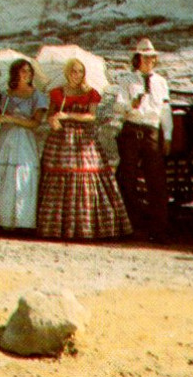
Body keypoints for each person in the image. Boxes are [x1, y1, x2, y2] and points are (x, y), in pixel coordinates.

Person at [37, 58, 132, 241]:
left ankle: (86, 226)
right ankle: (58, 227)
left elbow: (91, 117)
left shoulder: (90, 93)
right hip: (60, 139)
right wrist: (54, 120)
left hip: (83, 138)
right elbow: (50, 114)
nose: (77, 75)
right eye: (73, 71)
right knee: (59, 176)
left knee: (87, 174)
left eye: (80, 71)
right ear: (67, 72)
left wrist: (69, 115)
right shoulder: (57, 93)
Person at [113, 37, 172, 242]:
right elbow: (118, 107)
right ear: (137, 58)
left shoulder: (161, 82)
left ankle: (158, 229)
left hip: (151, 131)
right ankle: (130, 226)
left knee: (156, 180)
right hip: (132, 128)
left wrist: (168, 135)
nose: (148, 61)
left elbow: (165, 110)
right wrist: (132, 104)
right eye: (145, 57)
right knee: (128, 179)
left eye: (151, 58)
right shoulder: (127, 79)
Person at [0, 59, 48, 231]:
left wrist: (13, 119)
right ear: (15, 73)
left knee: (24, 176)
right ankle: (3, 220)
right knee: (4, 176)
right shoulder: (5, 94)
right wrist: (0, 118)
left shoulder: (37, 96)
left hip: (25, 140)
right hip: (5, 139)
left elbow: (35, 123)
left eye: (29, 72)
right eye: (23, 71)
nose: (27, 75)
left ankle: (23, 221)